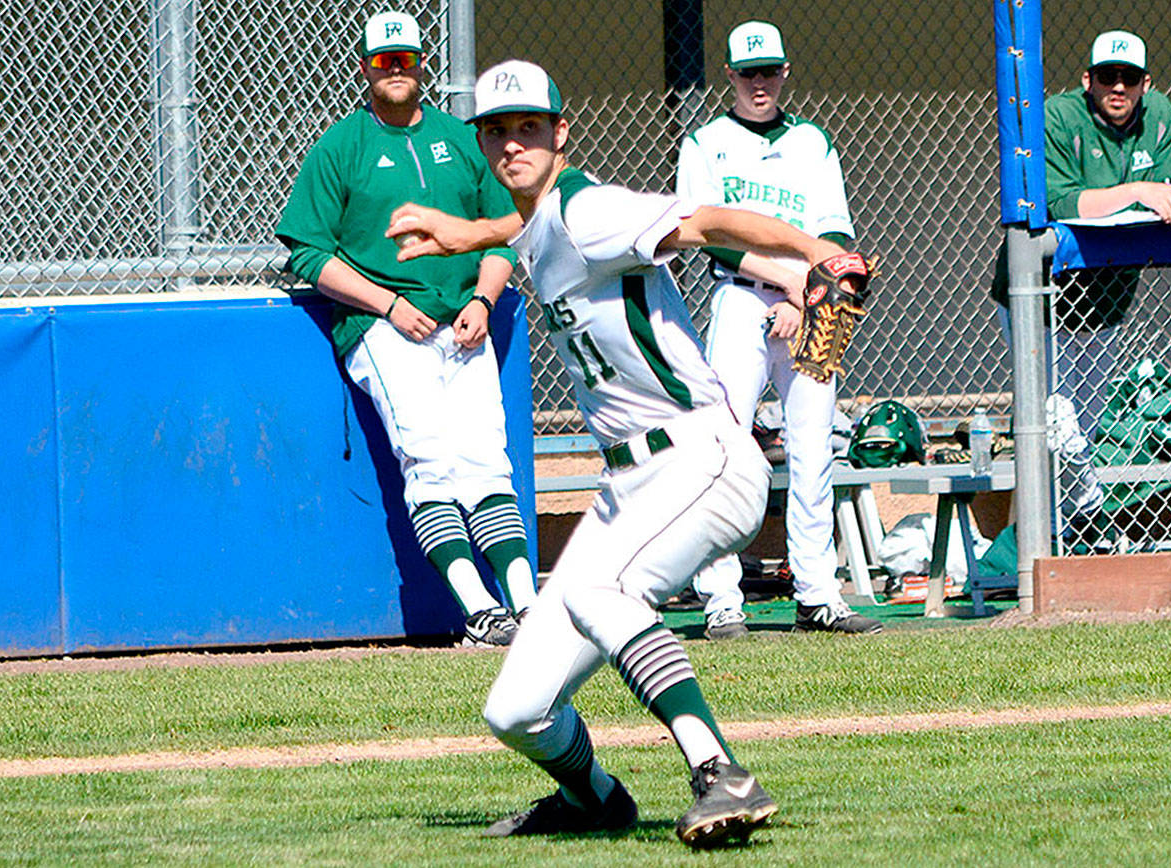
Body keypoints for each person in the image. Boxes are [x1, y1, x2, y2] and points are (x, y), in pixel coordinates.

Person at [388, 59, 869, 849]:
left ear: (560, 133)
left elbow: (707, 221)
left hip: (700, 457)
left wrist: (815, 252)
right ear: (481, 143)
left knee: (608, 593)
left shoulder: (592, 209)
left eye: (529, 128)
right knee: (515, 711)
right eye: (498, 131)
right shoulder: (545, 220)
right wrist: (467, 233)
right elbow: (528, 228)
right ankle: (597, 800)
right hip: (629, 485)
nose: (514, 143)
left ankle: (720, 772)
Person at [274, 11, 536, 648]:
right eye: (383, 61)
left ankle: (529, 606)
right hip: (385, 329)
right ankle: (479, 610)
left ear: (422, 64)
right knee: (431, 458)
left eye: (405, 60)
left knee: (485, 460)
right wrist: (388, 305)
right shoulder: (343, 146)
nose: (396, 70)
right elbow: (308, 252)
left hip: (465, 323)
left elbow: (505, 230)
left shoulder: (462, 139)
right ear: (366, 67)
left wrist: (483, 296)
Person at [678, 20, 880, 637]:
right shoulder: (706, 142)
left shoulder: (812, 143)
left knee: (815, 445)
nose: (759, 83)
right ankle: (720, 600)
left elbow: (835, 230)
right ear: (731, 77)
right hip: (740, 300)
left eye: (769, 71)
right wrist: (785, 281)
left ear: (785, 72)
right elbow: (703, 235)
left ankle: (818, 594)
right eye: (748, 73)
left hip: (812, 303)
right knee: (727, 448)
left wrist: (814, 290)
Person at [991, 29, 1171, 444]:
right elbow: (1065, 204)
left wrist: (1158, 198)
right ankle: (1083, 508)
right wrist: (1140, 192)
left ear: (1146, 83)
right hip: (1045, 296)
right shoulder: (1058, 116)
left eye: (1129, 77)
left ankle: (1055, 510)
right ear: (1088, 80)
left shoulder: (1158, 115)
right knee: (1055, 428)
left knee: (1083, 426)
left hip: (1109, 299)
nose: (1118, 87)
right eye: (1108, 76)